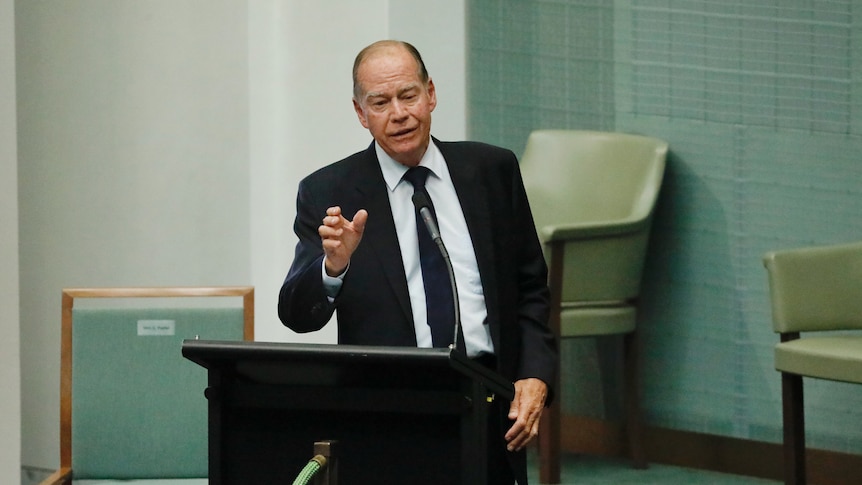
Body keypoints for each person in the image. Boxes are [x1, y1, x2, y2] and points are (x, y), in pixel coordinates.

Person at [278, 39, 557, 484]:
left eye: (408, 95)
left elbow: (530, 289)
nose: (399, 113)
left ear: (431, 94)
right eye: (380, 102)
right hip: (391, 410)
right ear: (360, 113)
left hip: (487, 399)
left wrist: (534, 375)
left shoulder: (491, 170)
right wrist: (333, 268)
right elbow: (296, 315)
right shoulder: (330, 191)